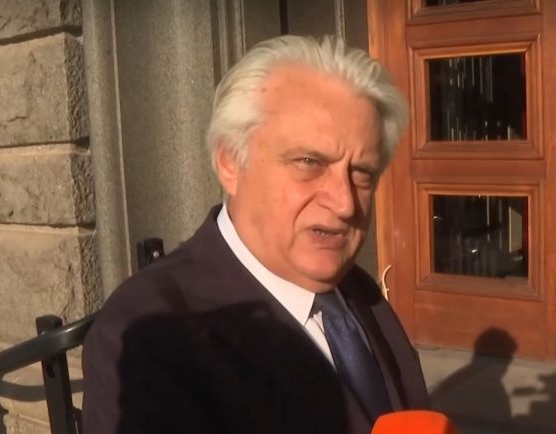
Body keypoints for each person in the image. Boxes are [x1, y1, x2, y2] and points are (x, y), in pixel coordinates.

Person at [82, 34, 429, 434]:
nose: (345, 203)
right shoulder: (150, 335)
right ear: (230, 162)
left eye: (362, 173)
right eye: (309, 162)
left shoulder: (360, 294)